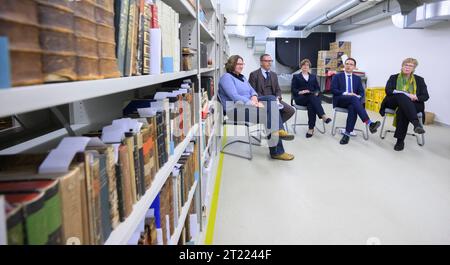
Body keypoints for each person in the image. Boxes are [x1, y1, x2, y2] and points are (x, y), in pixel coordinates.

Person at [218, 55, 295, 161]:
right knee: (269, 116)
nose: (241, 66)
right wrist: (253, 103)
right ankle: (277, 150)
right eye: (238, 64)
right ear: (232, 64)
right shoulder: (226, 78)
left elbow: (252, 90)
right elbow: (234, 96)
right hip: (235, 110)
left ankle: (277, 132)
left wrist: (254, 96)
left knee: (271, 98)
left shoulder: (242, 77)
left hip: (247, 106)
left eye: (242, 64)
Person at [379, 58, 429, 151]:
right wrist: (403, 93)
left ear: (414, 68)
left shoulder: (419, 80)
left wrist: (416, 96)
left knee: (402, 110)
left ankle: (400, 141)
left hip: (414, 103)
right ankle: (416, 123)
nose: (407, 67)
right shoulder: (393, 77)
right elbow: (388, 90)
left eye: (411, 66)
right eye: (406, 65)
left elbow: (425, 96)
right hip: (393, 101)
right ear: (402, 66)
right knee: (402, 96)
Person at [331, 57, 381, 145]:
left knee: (353, 107)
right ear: (344, 65)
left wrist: (357, 96)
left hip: (352, 102)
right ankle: (369, 123)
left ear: (354, 67)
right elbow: (333, 90)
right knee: (354, 99)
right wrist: (347, 93)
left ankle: (347, 134)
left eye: (351, 64)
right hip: (340, 100)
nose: (348, 66)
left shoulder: (357, 78)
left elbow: (361, 92)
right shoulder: (337, 76)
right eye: (347, 64)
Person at [248, 54, 295, 126]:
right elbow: (252, 91)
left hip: (275, 100)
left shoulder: (274, 75)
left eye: (270, 61)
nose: (269, 63)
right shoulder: (254, 74)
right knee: (273, 110)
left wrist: (278, 97)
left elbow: (278, 89)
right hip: (262, 100)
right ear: (261, 62)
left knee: (290, 111)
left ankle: (272, 127)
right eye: (266, 61)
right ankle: (274, 130)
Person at [291, 59, 332, 138]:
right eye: (303, 65)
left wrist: (316, 92)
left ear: (309, 67)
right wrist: (301, 91)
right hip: (301, 98)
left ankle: (311, 128)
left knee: (311, 104)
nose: (305, 66)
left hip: (311, 98)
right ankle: (323, 116)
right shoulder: (296, 76)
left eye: (307, 65)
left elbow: (317, 88)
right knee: (311, 98)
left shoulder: (313, 77)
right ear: (301, 66)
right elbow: (293, 89)